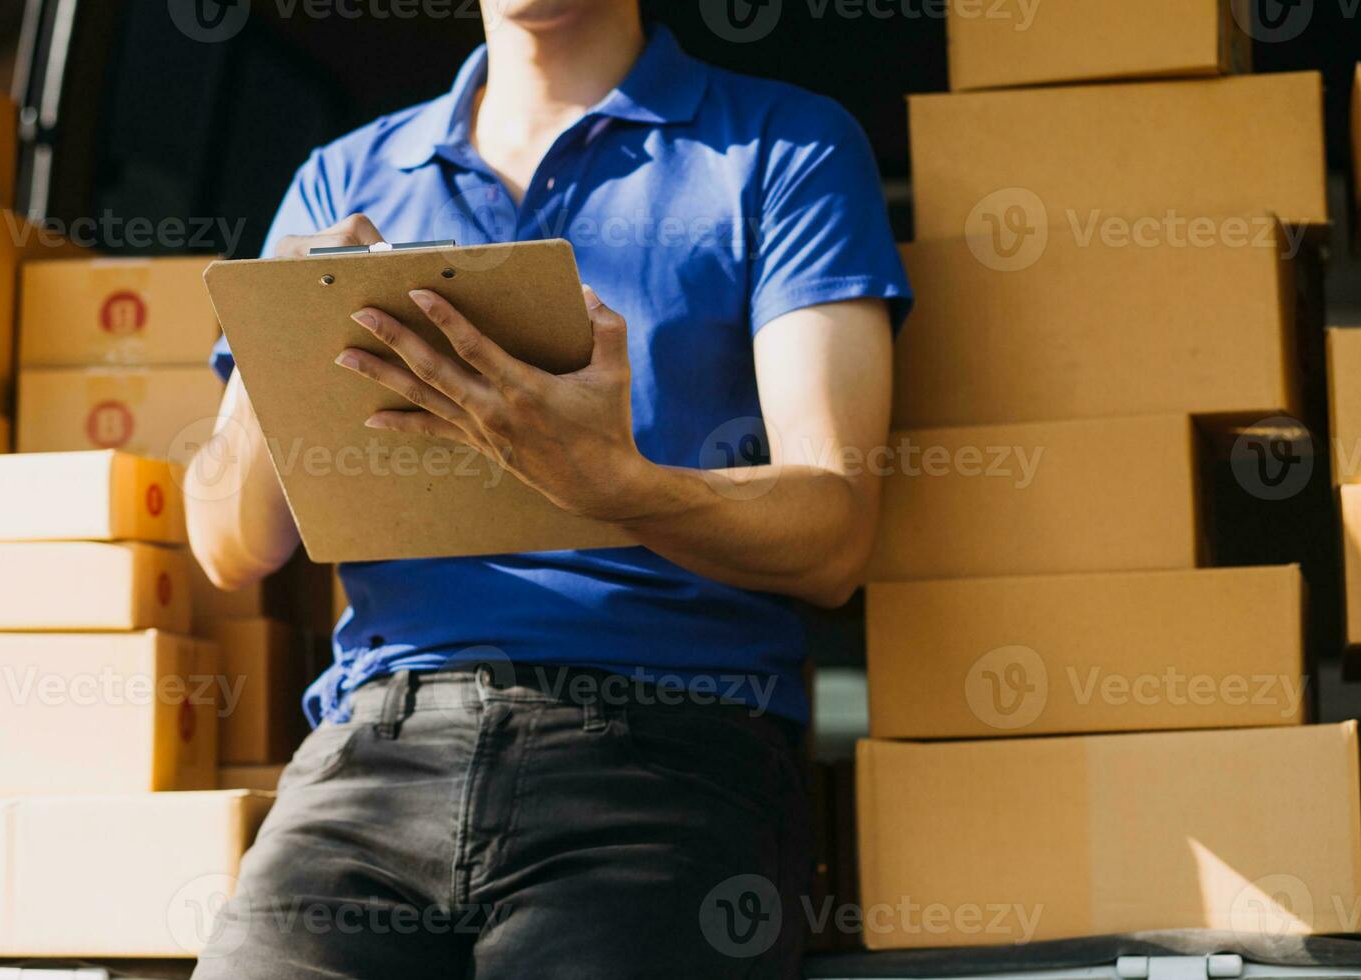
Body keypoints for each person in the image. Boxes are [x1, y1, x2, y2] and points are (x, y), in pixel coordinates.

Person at [186, 1, 910, 975]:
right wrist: (289, 345)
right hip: (372, 749)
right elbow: (233, 545)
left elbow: (835, 536)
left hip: (665, 746)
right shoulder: (341, 176)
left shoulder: (784, 145)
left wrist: (619, 486)